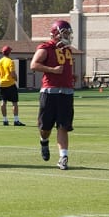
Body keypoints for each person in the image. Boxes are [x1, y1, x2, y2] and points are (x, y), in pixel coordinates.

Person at [30, 20, 76, 170]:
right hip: (50, 92)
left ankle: (63, 157)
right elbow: (34, 65)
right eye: (65, 33)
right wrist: (53, 70)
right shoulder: (46, 47)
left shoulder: (67, 49)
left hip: (66, 92)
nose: (68, 36)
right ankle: (44, 141)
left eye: (69, 33)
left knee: (63, 126)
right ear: (56, 33)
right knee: (46, 127)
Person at [0, 45, 25, 126]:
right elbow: (12, 73)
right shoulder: (10, 61)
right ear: (9, 52)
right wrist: (16, 78)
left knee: (3, 102)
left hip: (2, 84)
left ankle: (5, 120)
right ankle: (16, 120)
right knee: (14, 103)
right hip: (10, 84)